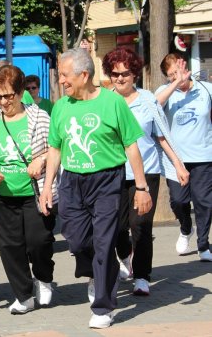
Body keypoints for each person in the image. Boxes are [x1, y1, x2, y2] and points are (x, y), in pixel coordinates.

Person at [39, 48, 152, 329]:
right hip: (72, 183)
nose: (61, 81)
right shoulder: (62, 107)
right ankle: (98, 272)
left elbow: (131, 146)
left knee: (104, 244)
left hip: (106, 181)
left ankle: (103, 306)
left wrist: (141, 187)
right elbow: (54, 149)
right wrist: (46, 186)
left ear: (84, 75)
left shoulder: (113, 103)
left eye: (65, 75)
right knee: (76, 241)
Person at [102, 48, 190, 295]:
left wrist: (178, 164)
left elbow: (161, 134)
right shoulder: (105, 100)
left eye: (125, 74)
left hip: (146, 171)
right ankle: (125, 255)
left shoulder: (148, 99)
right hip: (113, 172)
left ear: (135, 75)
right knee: (117, 227)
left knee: (141, 224)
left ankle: (142, 276)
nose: (120, 78)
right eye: (115, 74)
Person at [0, 65, 56, 314]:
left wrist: (41, 160)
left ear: (21, 92)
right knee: (10, 248)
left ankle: (43, 278)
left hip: (35, 193)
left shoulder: (40, 117)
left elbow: (56, 149)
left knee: (38, 242)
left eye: (8, 96)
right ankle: (23, 295)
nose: (3, 102)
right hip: (2, 197)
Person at [155, 53, 212, 261]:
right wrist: (175, 83)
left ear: (184, 66)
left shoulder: (206, 89)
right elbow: (154, 106)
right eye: (170, 75)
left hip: (204, 156)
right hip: (176, 160)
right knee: (179, 201)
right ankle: (186, 228)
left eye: (176, 72)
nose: (174, 77)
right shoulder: (165, 91)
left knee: (204, 202)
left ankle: (203, 244)